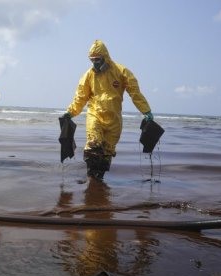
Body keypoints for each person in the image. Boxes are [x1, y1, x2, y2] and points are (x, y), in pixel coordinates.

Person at [62, 40, 153, 180]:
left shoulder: (121, 72)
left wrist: (146, 111)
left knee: (107, 152)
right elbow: (80, 97)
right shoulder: (89, 75)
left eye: (97, 60)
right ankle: (91, 176)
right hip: (95, 114)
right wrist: (70, 112)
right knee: (93, 145)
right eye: (92, 60)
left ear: (105, 57)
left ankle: (98, 181)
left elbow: (135, 93)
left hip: (114, 120)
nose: (95, 63)